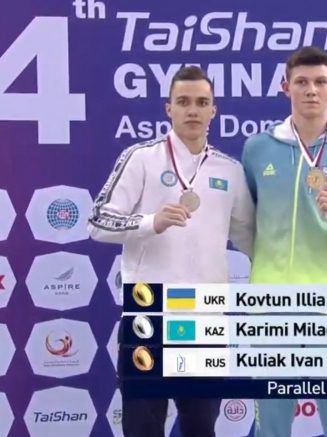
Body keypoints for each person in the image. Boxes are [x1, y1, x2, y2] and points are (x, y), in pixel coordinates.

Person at [88, 66, 255, 437]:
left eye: (202, 103)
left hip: (204, 319)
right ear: (169, 109)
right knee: (142, 428)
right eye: (183, 102)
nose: (193, 110)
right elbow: (98, 221)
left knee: (201, 428)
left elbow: (252, 239)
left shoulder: (230, 170)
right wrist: (151, 222)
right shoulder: (141, 158)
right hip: (149, 314)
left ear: (214, 110)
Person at [241, 46, 327, 437]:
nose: (311, 90)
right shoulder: (257, 149)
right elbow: (244, 224)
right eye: (301, 82)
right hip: (272, 312)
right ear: (285, 87)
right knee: (271, 429)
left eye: (320, 82)